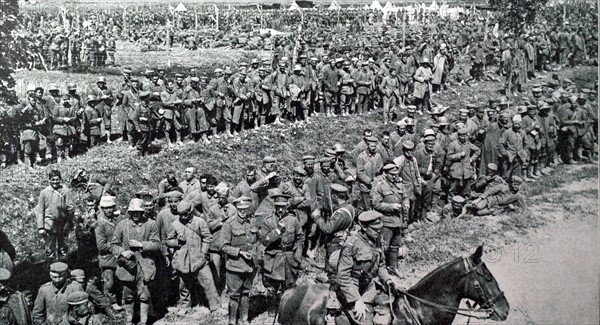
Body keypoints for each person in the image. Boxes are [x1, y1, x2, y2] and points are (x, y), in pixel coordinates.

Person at [335, 211, 395, 325]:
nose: (378, 231)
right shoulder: (351, 245)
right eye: (374, 228)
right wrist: (356, 300)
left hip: (368, 287)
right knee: (365, 320)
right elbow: (343, 277)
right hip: (351, 288)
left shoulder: (377, 240)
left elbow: (380, 265)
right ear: (363, 227)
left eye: (379, 228)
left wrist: (388, 280)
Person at [166, 201, 224, 316]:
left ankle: (215, 307)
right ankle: (184, 306)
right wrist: (177, 242)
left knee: (208, 282)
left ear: (190, 211)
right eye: (180, 214)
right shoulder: (175, 224)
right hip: (183, 259)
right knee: (183, 285)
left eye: (185, 214)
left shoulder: (199, 222)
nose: (183, 217)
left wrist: (203, 253)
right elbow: (168, 241)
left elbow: (207, 238)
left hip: (199, 259)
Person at [110, 198, 160, 325]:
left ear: (143, 212)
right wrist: (122, 252)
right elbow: (113, 245)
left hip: (145, 265)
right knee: (128, 296)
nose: (136, 214)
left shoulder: (151, 224)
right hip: (127, 266)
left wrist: (142, 244)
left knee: (144, 295)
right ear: (129, 212)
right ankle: (128, 321)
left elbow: (157, 244)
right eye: (133, 212)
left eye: (138, 211)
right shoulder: (122, 225)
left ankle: (143, 322)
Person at [258, 194, 304, 313]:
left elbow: (300, 238)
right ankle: (271, 312)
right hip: (273, 257)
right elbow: (264, 240)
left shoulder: (293, 220)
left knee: (289, 287)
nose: (280, 209)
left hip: (289, 258)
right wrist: (277, 230)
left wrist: (297, 255)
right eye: (277, 206)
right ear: (274, 206)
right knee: (271, 288)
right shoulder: (268, 220)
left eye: (283, 207)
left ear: (287, 206)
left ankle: (285, 311)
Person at [221, 197, 259, 325]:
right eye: (240, 209)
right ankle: (232, 321)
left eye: (245, 209)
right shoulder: (229, 224)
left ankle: (244, 319)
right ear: (236, 209)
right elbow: (224, 246)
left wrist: (255, 253)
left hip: (249, 265)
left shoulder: (253, 222)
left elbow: (257, 240)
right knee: (234, 295)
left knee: (246, 293)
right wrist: (240, 252)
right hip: (235, 266)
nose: (243, 212)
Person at [370, 164, 410, 275]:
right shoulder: (380, 186)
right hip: (386, 220)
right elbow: (375, 204)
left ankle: (393, 267)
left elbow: (405, 197)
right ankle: (379, 269)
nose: (394, 177)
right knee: (383, 246)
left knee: (395, 245)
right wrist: (391, 206)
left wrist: (406, 203)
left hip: (398, 220)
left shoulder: (399, 185)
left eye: (395, 175)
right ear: (386, 174)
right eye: (391, 175)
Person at [35, 169, 75, 258]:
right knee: (49, 250)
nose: (55, 182)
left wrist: (68, 221)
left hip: (63, 225)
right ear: (49, 180)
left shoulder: (65, 191)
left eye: (57, 179)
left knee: (63, 249)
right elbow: (40, 210)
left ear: (60, 179)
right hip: (49, 225)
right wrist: (41, 227)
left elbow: (71, 207)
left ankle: (63, 268)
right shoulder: (44, 192)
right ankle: (50, 269)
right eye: (53, 179)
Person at [94, 195, 123, 311]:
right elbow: (101, 245)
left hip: (119, 256)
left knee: (121, 279)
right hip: (108, 258)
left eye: (111, 207)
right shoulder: (100, 223)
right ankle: (111, 303)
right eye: (106, 208)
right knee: (109, 282)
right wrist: (115, 246)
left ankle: (123, 300)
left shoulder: (118, 219)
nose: (109, 210)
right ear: (102, 208)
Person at [446, 128, 481, 198]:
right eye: (461, 136)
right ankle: (450, 201)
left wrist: (472, 159)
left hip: (466, 169)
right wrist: (459, 155)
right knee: (452, 188)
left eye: (464, 136)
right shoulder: (453, 144)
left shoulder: (468, 144)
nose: (463, 137)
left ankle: (466, 202)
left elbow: (478, 150)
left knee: (467, 189)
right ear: (458, 136)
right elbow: (449, 157)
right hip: (456, 169)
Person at [356, 136, 383, 211]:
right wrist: (369, 181)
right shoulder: (361, 157)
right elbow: (360, 173)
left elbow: (380, 169)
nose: (373, 148)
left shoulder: (378, 156)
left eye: (375, 146)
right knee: (367, 206)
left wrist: (377, 180)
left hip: (376, 185)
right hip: (365, 186)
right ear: (367, 146)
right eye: (371, 146)